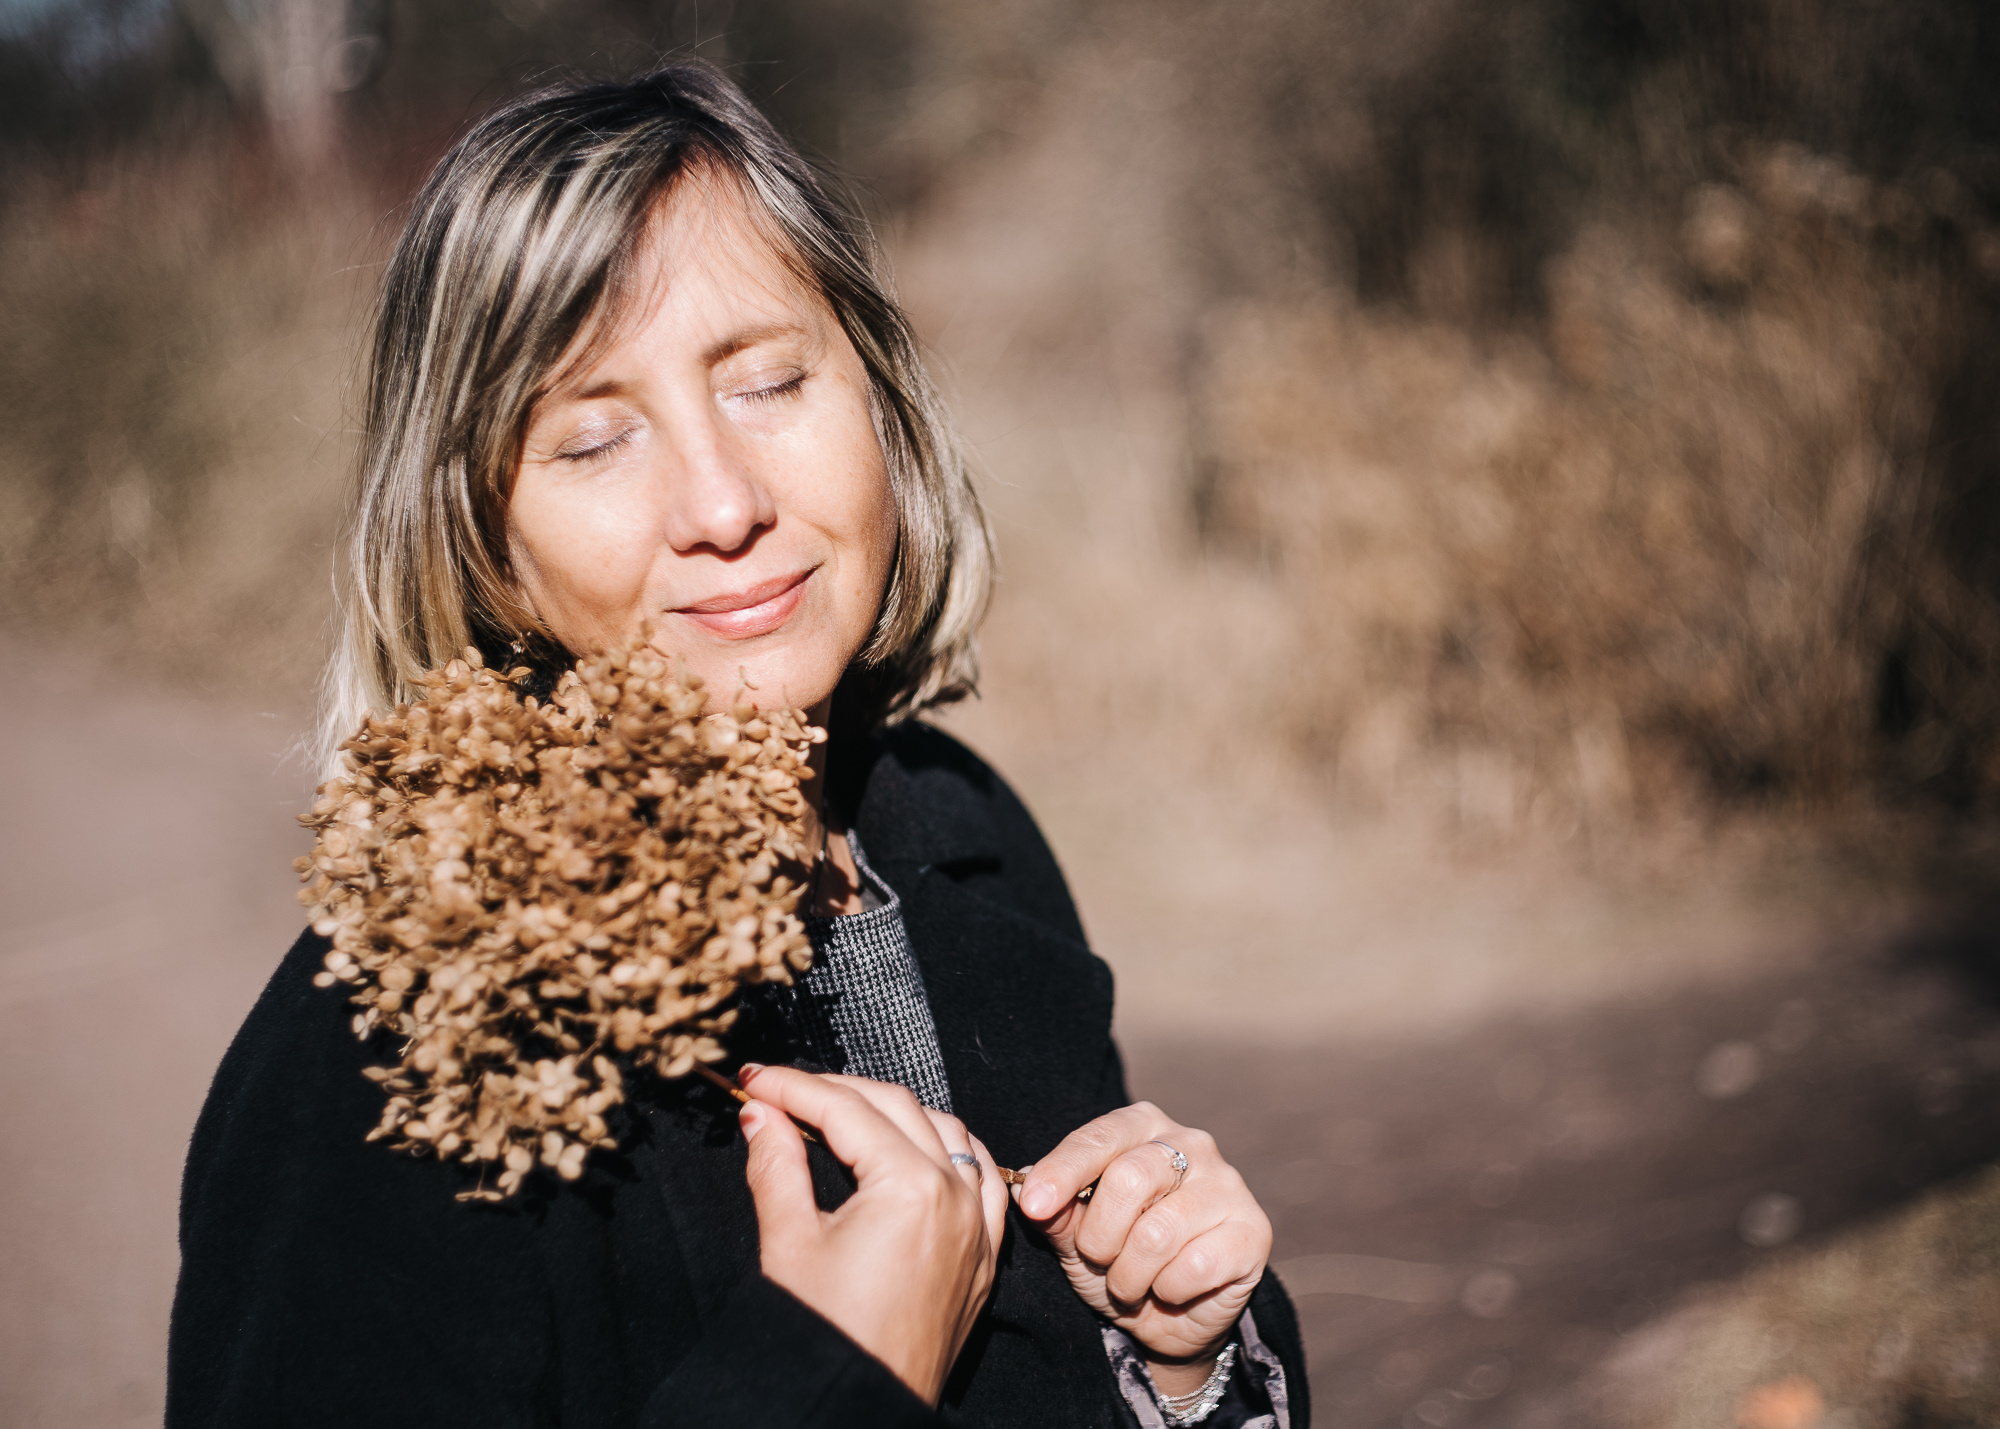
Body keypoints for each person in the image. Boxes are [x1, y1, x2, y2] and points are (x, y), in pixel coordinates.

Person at [167, 62, 1306, 1429]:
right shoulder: (405, 1039)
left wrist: (1180, 1366)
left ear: (875, 393)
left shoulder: (961, 830)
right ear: (484, 543)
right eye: (593, 439)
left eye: (769, 381)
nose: (721, 501)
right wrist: (835, 1380)